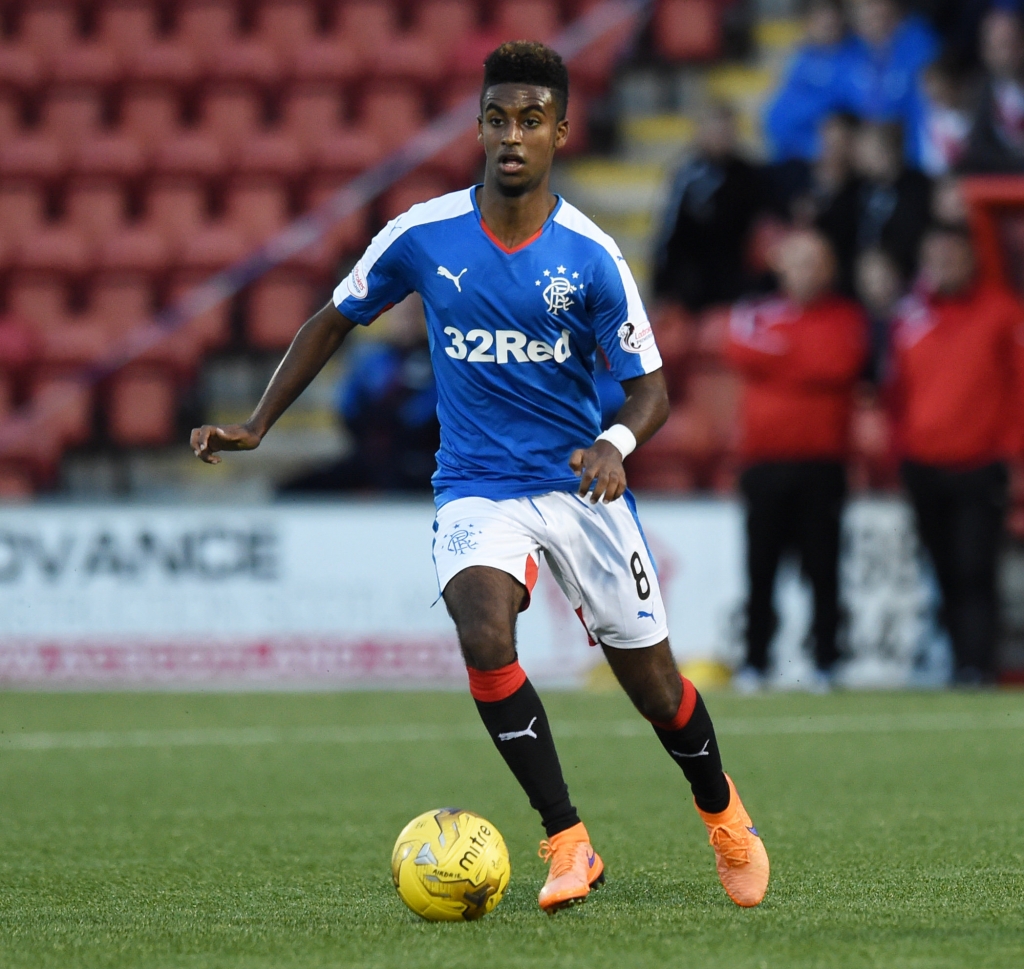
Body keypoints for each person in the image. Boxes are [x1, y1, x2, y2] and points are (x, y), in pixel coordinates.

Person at [191, 42, 769, 912]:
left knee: (655, 686)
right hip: (475, 484)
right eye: (498, 118)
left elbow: (652, 388)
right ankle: (567, 840)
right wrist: (258, 423)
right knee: (482, 627)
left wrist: (615, 441)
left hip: (581, 487)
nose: (512, 135)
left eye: (531, 120)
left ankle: (725, 817)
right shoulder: (422, 234)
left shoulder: (591, 256)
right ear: (478, 127)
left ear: (562, 133)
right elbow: (332, 317)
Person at [726, 231, 868, 692]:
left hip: (822, 463)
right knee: (760, 568)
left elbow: (838, 363)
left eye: (814, 262)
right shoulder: (754, 313)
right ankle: (755, 662)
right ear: (781, 267)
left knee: (824, 569)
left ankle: (826, 662)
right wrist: (802, 358)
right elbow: (738, 349)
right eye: (797, 262)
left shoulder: (847, 317)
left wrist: (782, 357)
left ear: (829, 269)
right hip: (764, 463)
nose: (806, 272)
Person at [890, 223, 1024, 684]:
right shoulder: (909, 316)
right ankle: (955, 661)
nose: (942, 267)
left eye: (950, 257)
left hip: (980, 463)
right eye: (934, 259)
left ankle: (975, 665)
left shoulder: (1002, 314)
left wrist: (1009, 450)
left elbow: (1018, 386)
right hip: (923, 462)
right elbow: (896, 390)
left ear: (970, 259)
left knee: (975, 567)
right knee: (942, 566)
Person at [279, 296, 440, 494]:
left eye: (412, 314)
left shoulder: (438, 359)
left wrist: (397, 423)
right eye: (400, 314)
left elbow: (429, 411)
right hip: (368, 454)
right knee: (293, 490)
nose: (406, 320)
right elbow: (348, 405)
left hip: (415, 457)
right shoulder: (371, 357)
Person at [652, 102, 769, 314]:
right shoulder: (687, 176)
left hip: (738, 282)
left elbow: (763, 231)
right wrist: (662, 290)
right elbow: (668, 235)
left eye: (726, 130)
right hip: (693, 285)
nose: (720, 136)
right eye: (714, 129)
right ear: (700, 131)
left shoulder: (751, 176)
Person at [837, 0, 940, 165]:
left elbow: (929, 114)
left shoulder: (920, 45)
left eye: (874, 4)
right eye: (860, 7)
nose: (869, 11)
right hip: (866, 167)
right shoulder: (851, 51)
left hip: (914, 166)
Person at [764, 0, 852, 163]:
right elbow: (776, 116)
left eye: (831, 22)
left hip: (831, 157)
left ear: (841, 21)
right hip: (789, 153)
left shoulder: (854, 59)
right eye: (819, 19)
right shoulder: (799, 59)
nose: (826, 24)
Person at [853, 121, 933, 278]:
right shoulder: (860, 189)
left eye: (865, 150)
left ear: (887, 151)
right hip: (866, 276)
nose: (859, 157)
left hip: (907, 273)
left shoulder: (918, 186)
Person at [960, 9, 1024, 173]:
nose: (1003, 55)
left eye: (1008, 44)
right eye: (994, 46)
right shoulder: (978, 90)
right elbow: (977, 147)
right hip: (1000, 183)